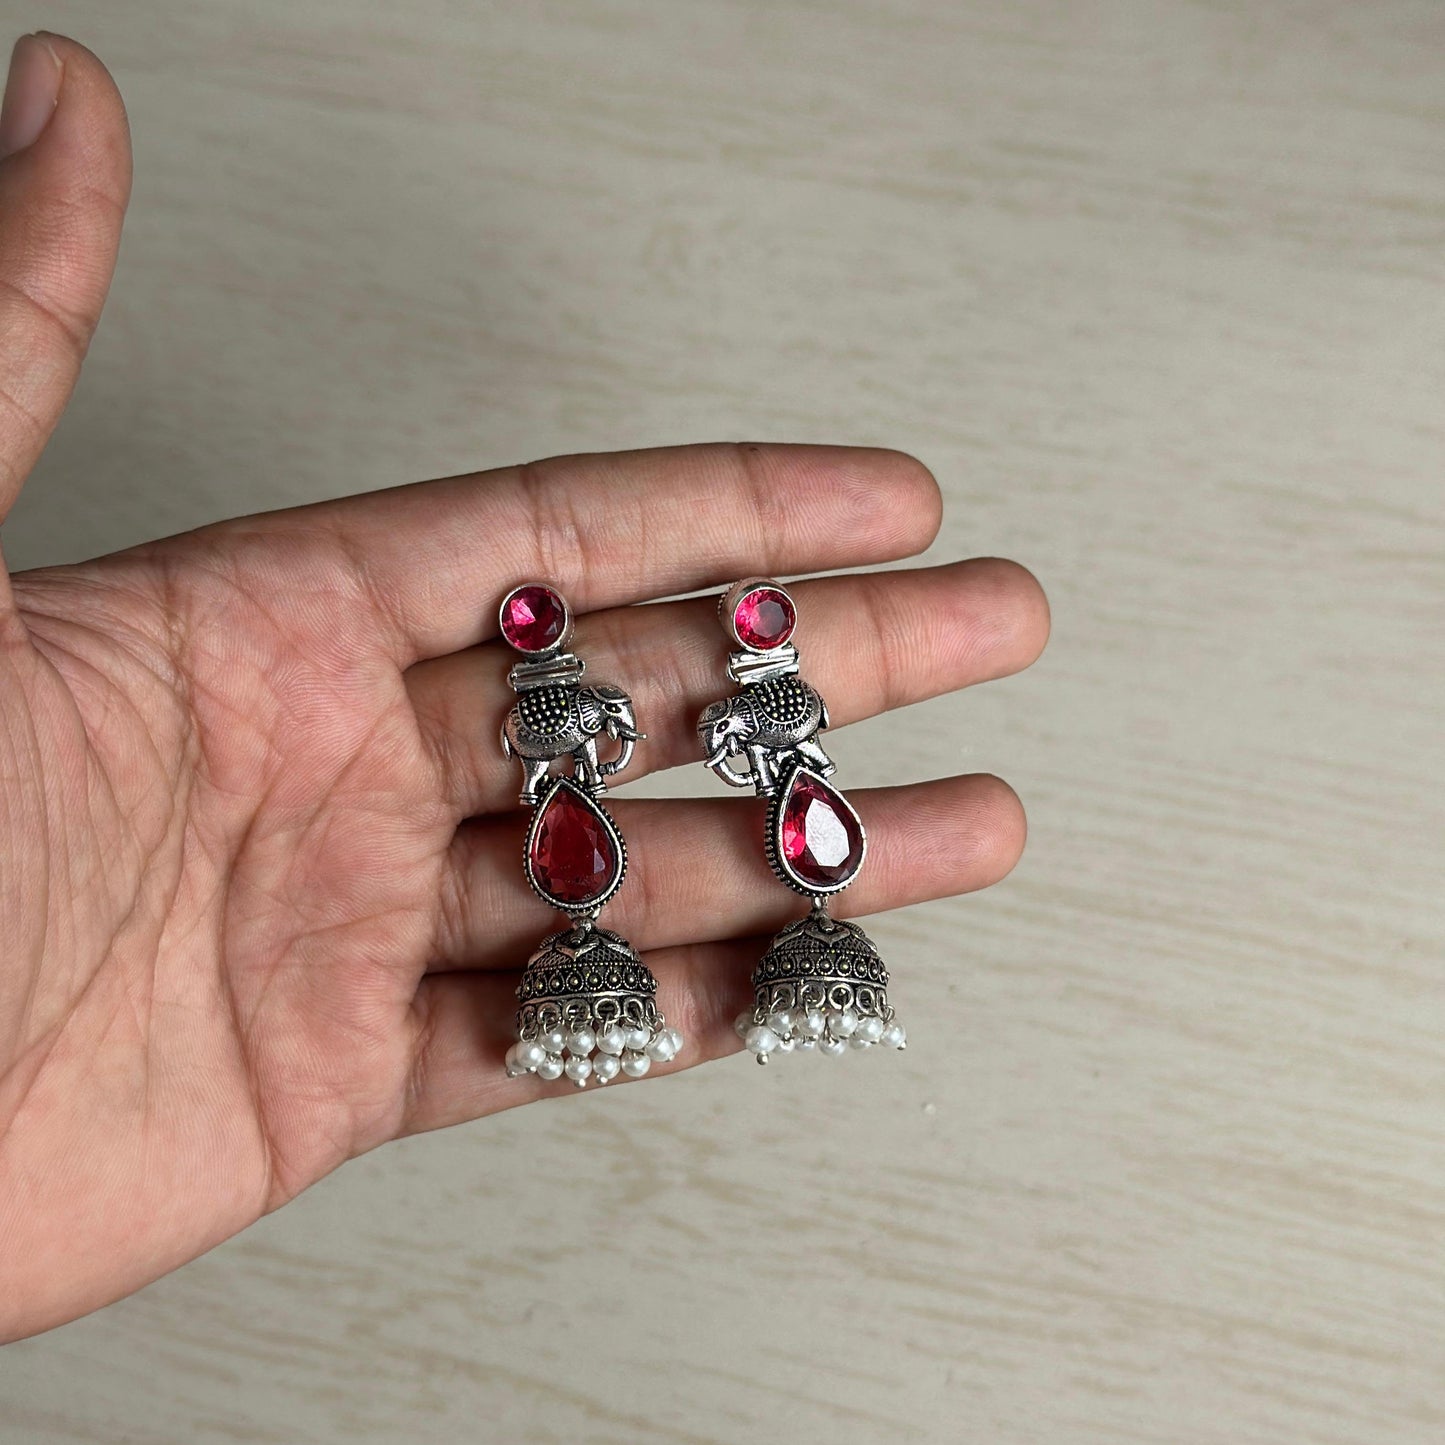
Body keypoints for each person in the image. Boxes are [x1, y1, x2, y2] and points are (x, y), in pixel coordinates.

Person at [0, 33, 1049, 1342]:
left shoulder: (718, 704)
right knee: (683, 856)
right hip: (584, 766)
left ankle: (778, 954)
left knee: (766, 844)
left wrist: (711, 714)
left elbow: (711, 733)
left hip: (633, 758)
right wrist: (637, 718)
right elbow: (634, 732)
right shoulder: (568, 718)